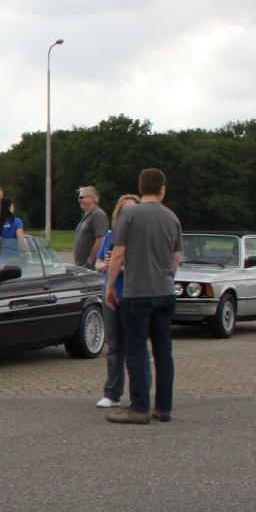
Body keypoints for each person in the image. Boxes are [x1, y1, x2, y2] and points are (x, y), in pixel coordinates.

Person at [104, 168, 183, 425]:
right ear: (163, 189)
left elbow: (117, 254)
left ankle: (139, 407)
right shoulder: (172, 218)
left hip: (137, 292)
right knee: (163, 351)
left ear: (140, 188)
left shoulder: (129, 215)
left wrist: (111, 287)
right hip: (164, 291)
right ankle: (164, 407)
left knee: (136, 348)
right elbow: (176, 259)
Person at [93, 193, 140, 409]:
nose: (127, 215)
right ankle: (112, 392)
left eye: (132, 211)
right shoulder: (111, 236)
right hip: (111, 294)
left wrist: (119, 267)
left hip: (134, 294)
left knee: (135, 346)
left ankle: (138, 394)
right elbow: (99, 262)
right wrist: (105, 266)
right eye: (124, 211)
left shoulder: (141, 237)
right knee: (113, 345)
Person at [73, 185, 110, 267]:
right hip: (82, 266)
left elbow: (101, 239)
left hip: (91, 267)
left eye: (81, 197)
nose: (79, 200)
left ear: (92, 198)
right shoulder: (86, 216)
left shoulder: (98, 214)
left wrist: (89, 262)